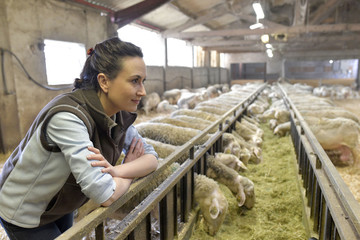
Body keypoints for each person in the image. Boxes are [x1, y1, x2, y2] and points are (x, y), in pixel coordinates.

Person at [0, 37, 158, 240]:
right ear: (104, 81)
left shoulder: (117, 115)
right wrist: (130, 172)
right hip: (25, 210)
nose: (143, 91)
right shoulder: (68, 118)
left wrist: (117, 170)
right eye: (134, 80)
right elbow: (106, 194)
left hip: (60, 202)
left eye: (143, 81)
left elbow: (152, 158)